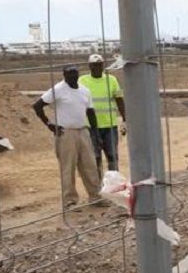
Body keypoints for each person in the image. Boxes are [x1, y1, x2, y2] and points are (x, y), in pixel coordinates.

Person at [33, 65, 102, 208]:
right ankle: (70, 201)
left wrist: (95, 133)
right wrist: (49, 124)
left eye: (74, 73)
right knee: (67, 168)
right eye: (68, 74)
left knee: (91, 166)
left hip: (83, 132)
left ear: (78, 74)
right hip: (66, 133)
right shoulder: (57, 90)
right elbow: (37, 106)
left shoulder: (84, 91)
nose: (72, 76)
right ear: (64, 75)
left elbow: (90, 112)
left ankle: (96, 197)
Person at [79, 53, 126, 173]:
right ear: (89, 66)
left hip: (109, 126)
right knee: (95, 157)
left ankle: (114, 182)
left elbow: (119, 100)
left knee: (112, 156)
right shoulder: (82, 81)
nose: (97, 68)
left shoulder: (111, 80)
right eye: (94, 65)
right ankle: (97, 185)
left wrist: (125, 120)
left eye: (99, 65)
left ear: (103, 65)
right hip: (91, 127)